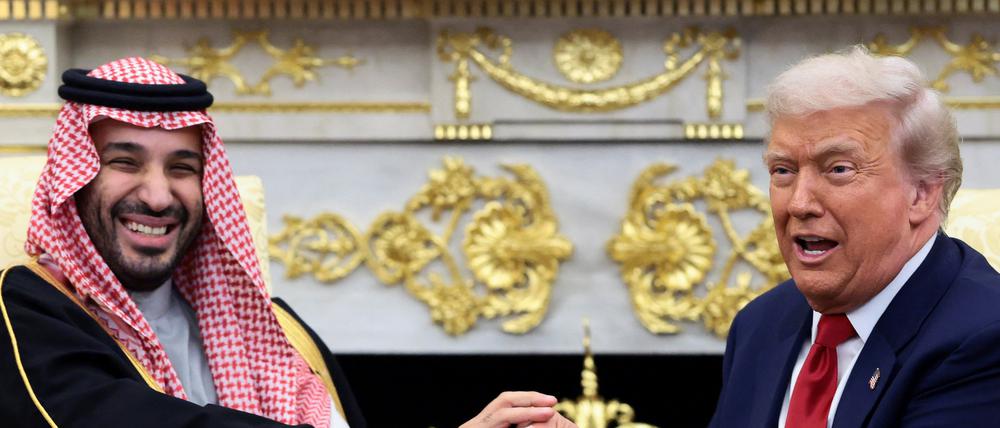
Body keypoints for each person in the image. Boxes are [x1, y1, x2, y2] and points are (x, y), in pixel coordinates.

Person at [0, 57, 575, 428]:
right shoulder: (28, 309)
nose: (158, 196)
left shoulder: (275, 327)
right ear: (75, 181)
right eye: (123, 162)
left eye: (183, 168)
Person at [709, 46, 1000, 427]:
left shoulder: (983, 338)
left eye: (838, 169)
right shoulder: (758, 325)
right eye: (783, 170)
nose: (799, 203)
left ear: (922, 193)